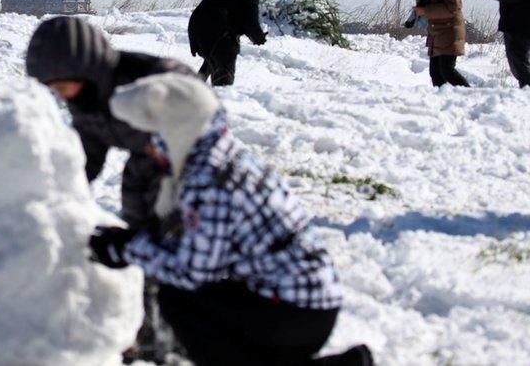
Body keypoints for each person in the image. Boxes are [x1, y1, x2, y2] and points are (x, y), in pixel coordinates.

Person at [89, 73, 373, 366]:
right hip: (306, 301)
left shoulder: (207, 178)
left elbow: (192, 273)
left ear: (173, 130)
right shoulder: (221, 153)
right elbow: (200, 249)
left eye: (150, 136)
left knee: (178, 298)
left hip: (296, 311)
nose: (146, 147)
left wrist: (125, 248)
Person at [25, 16, 194, 361]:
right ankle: (147, 327)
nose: (58, 94)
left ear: (83, 70)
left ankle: (183, 332)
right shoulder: (84, 99)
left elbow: (200, 115)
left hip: (185, 169)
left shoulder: (149, 79)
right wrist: (64, 192)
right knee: (141, 242)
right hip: (141, 170)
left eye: (59, 86)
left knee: (173, 247)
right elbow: (89, 152)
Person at [188, 0, 269, 86]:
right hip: (220, 35)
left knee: (211, 62)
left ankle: (192, 92)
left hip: (197, 31)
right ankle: (223, 99)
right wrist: (259, 38)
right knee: (224, 74)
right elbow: (250, 21)